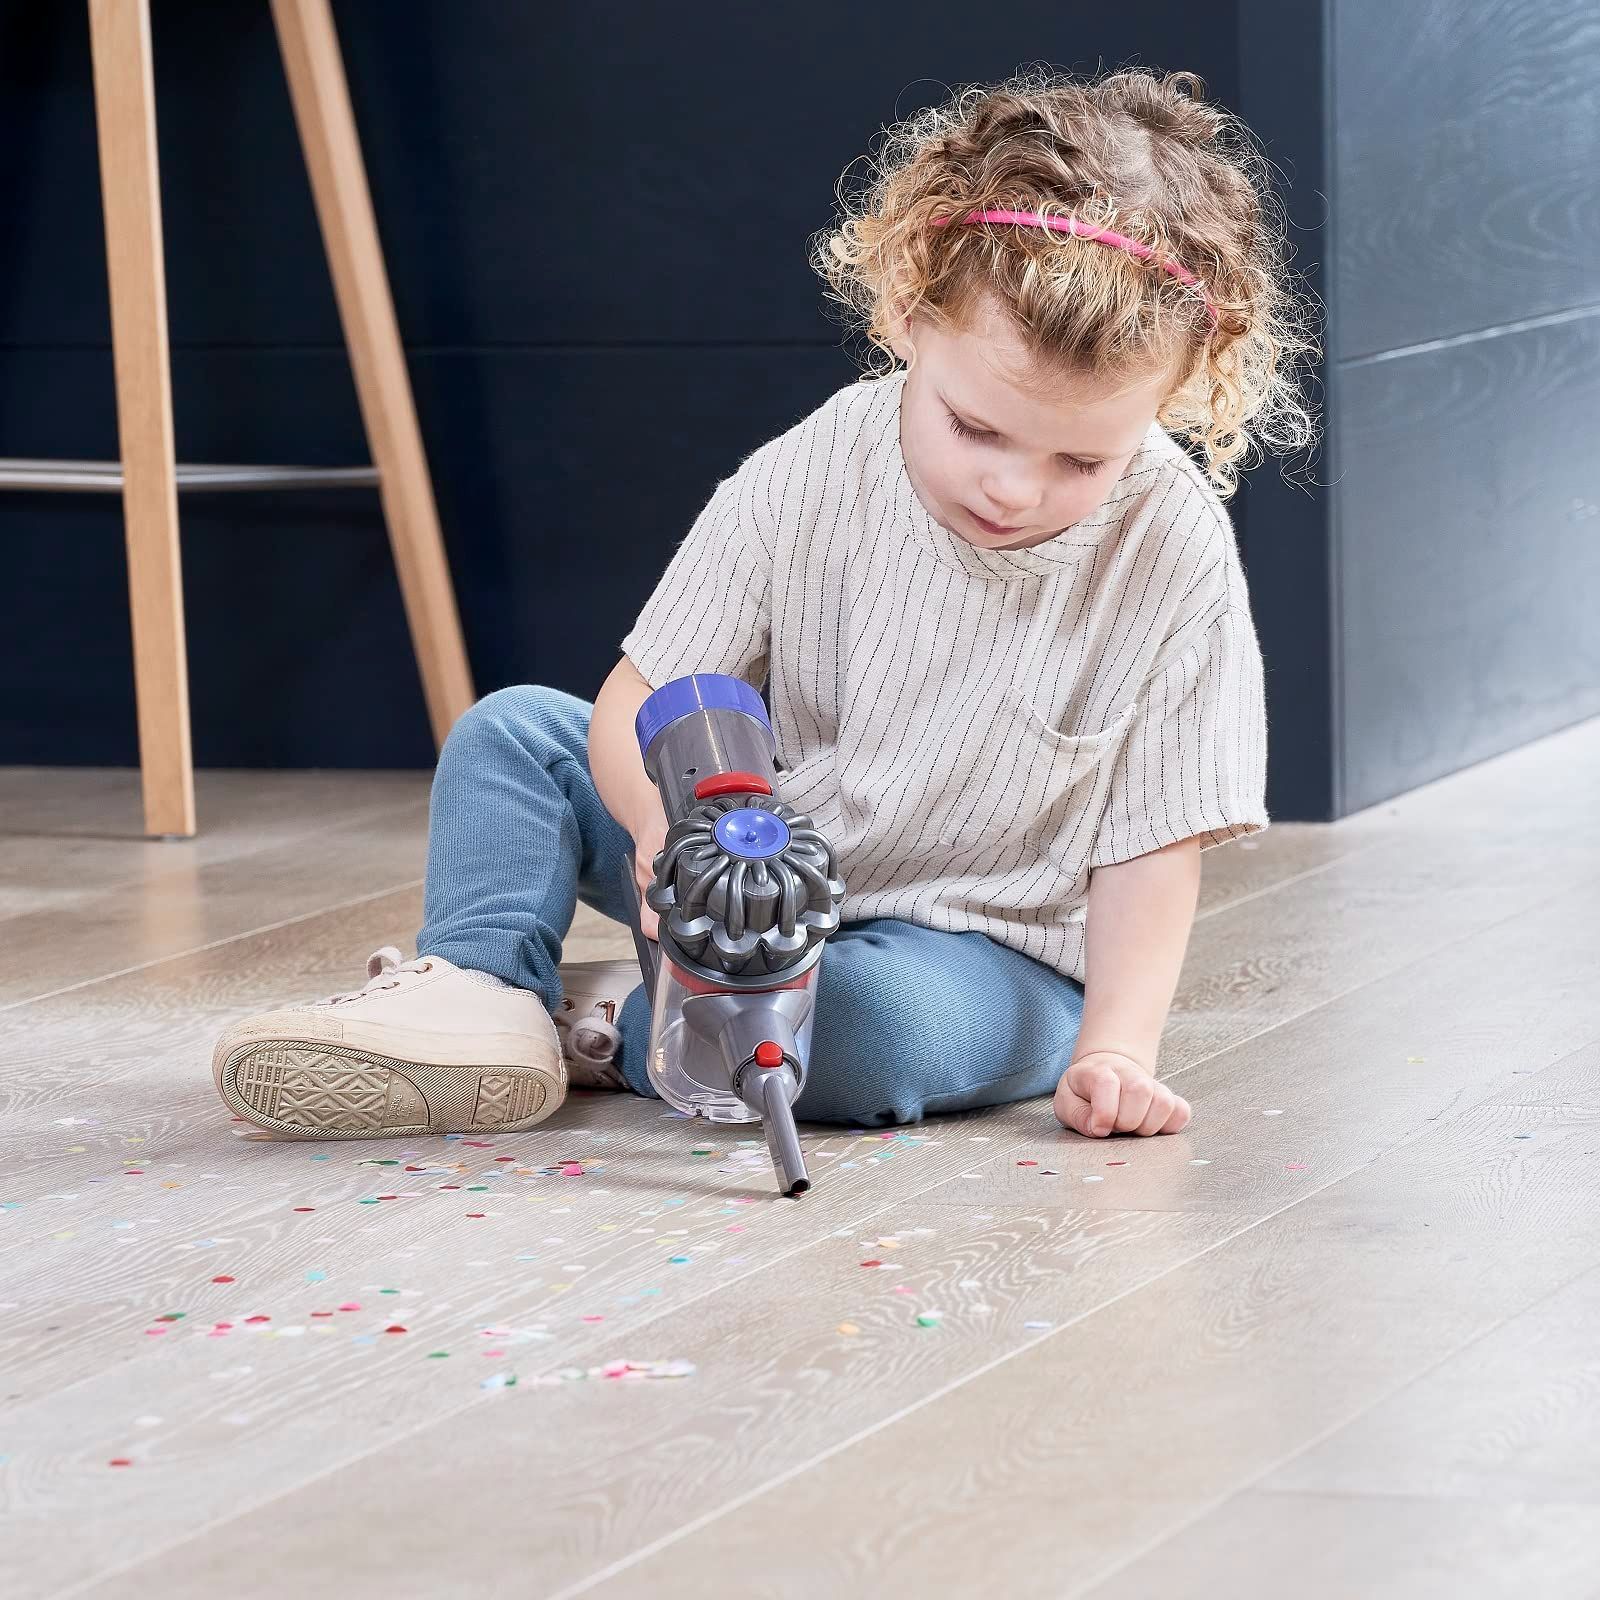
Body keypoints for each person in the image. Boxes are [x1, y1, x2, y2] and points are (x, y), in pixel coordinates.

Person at [212, 67, 1318, 1142]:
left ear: (1183, 386)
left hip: (982, 951)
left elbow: (1151, 843)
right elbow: (641, 694)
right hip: (757, 869)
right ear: (907, 308)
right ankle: (482, 990)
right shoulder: (818, 461)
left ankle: (622, 1021)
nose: (1013, 488)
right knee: (514, 737)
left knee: (862, 1036)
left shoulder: (1171, 547)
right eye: (975, 428)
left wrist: (1116, 1051)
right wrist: (659, 832)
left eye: (1080, 459)